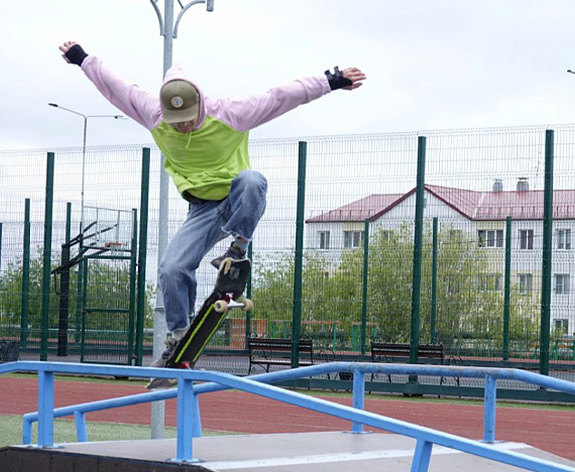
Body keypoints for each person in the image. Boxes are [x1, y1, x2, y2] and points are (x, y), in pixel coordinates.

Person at [59, 41, 366, 367]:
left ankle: (237, 250)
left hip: (236, 203)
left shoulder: (231, 112)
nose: (183, 126)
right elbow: (115, 86)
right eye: (177, 121)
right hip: (201, 211)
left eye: (189, 119)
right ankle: (179, 337)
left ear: (200, 104)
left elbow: (281, 96)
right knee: (171, 269)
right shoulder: (152, 114)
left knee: (252, 180)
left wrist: (331, 81)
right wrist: (82, 58)